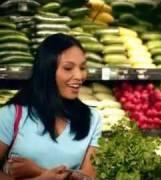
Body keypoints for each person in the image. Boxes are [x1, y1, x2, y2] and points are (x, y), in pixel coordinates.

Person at [0, 33, 102, 179]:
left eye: (83, 67)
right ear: (47, 70)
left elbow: (88, 177)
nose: (79, 76)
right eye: (68, 68)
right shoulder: (10, 115)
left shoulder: (93, 119)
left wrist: (38, 171)